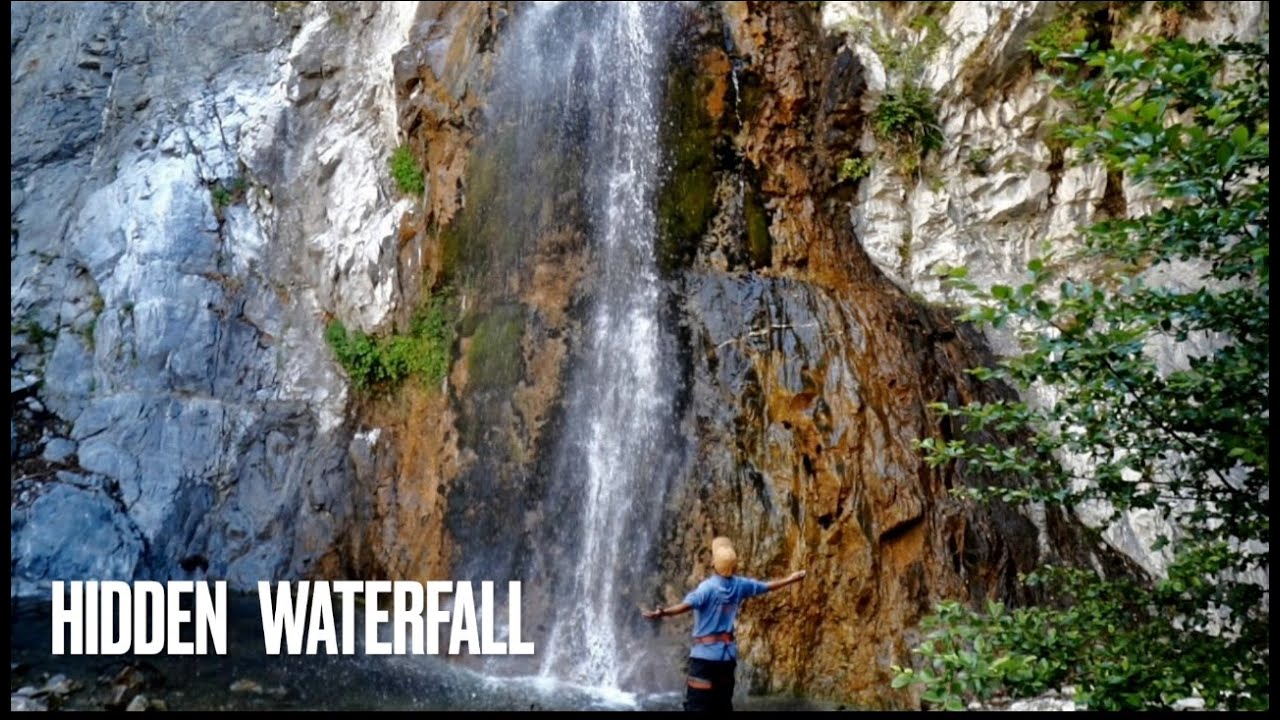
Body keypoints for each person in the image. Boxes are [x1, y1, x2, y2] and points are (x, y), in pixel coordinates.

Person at [642, 537, 807, 711]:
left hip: (704, 660)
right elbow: (766, 587)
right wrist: (791, 579)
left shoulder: (707, 588)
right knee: (722, 706)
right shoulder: (740, 585)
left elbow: (686, 606)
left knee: (698, 706)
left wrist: (663, 612)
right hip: (727, 661)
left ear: (714, 564)